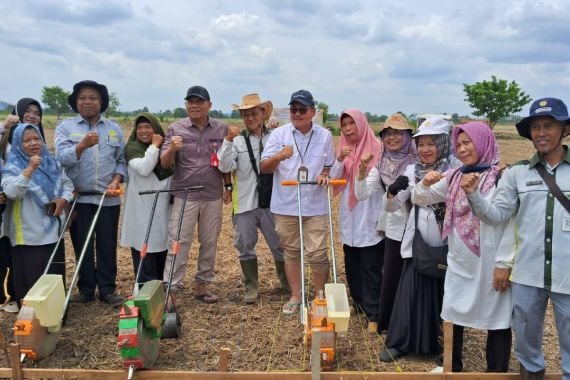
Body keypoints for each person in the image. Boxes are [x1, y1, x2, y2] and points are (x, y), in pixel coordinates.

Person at [466, 98, 570, 380]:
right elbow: (497, 216)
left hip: (567, 275)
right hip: (526, 275)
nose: (541, 132)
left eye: (549, 125)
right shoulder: (517, 174)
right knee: (526, 341)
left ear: (566, 129)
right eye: (535, 127)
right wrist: (474, 196)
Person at [413, 121, 513, 372]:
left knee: (498, 317)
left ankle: (496, 372)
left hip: (491, 259)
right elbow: (419, 198)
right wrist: (425, 183)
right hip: (460, 258)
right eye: (458, 144)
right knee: (453, 311)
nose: (463, 149)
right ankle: (452, 366)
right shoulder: (455, 176)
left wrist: (505, 262)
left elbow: (511, 223)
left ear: (483, 142)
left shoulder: (503, 177)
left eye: (468, 142)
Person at [379, 117, 457, 361]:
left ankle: (443, 347)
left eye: (431, 143)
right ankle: (400, 342)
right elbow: (392, 207)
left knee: (444, 296)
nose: (424, 149)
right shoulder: (412, 170)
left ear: (443, 144)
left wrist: (420, 188)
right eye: (420, 144)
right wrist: (392, 192)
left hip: (447, 244)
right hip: (418, 243)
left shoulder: (454, 170)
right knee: (409, 293)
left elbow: (427, 197)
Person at [260, 89, 335, 315]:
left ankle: (320, 296)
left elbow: (329, 165)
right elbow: (264, 168)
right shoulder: (278, 135)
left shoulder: (325, 135)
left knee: (318, 252)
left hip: (315, 204)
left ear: (313, 111)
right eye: (294, 109)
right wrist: (279, 156)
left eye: (303, 109)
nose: (298, 113)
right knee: (291, 251)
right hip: (285, 204)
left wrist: (325, 173)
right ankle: (296, 295)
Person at [55, 80, 126, 307]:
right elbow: (61, 159)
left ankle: (107, 289)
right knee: (81, 243)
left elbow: (121, 161)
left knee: (107, 244)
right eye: (82, 98)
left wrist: (116, 180)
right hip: (79, 198)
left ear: (101, 102)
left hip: (108, 198)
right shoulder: (65, 127)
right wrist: (82, 145)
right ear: (76, 102)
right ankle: (86, 289)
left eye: (93, 98)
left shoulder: (114, 128)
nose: (87, 101)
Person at [160, 85, 229, 304]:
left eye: (199, 102)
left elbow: (226, 161)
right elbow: (164, 163)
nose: (194, 106)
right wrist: (172, 149)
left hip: (212, 195)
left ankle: (202, 284)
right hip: (184, 195)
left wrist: (228, 187)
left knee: (209, 242)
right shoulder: (175, 129)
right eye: (190, 102)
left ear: (209, 105)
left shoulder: (221, 129)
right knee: (178, 241)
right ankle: (171, 287)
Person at [217, 93, 288, 304]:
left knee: (280, 244)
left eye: (254, 113)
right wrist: (227, 141)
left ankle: (287, 285)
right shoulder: (236, 141)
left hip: (273, 202)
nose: (250, 118)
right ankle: (251, 287)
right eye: (245, 114)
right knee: (245, 244)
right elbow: (225, 166)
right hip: (245, 202)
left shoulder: (276, 137)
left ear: (263, 114)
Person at [355, 113, 417, 332]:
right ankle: (392, 324)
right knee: (393, 276)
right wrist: (361, 172)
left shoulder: (419, 162)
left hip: (421, 229)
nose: (392, 138)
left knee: (416, 278)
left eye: (398, 133)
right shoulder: (380, 163)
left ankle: (414, 324)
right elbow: (361, 194)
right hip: (395, 227)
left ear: (408, 136)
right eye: (388, 133)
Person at [1, 124, 73, 305]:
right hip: (28, 234)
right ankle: (33, 321)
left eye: (36, 139)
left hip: (53, 230)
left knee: (53, 276)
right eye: (27, 140)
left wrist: (62, 200)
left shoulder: (52, 162)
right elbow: (12, 192)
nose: (33, 143)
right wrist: (29, 170)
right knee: (33, 280)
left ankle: (55, 315)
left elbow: (68, 185)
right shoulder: (13, 166)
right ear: (18, 143)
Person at [329, 109, 383, 332]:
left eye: (352, 123)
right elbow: (334, 178)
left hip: (369, 208)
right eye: (344, 125)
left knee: (370, 265)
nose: (348, 129)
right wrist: (340, 159)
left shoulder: (377, 149)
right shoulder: (345, 150)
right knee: (351, 262)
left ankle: (375, 312)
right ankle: (359, 303)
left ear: (362, 124)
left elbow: (374, 183)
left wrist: (361, 171)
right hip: (350, 212)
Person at [0, 98, 46, 313]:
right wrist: (4, 127)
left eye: (36, 112)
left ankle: (22, 295)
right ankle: (12, 296)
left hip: (30, 205)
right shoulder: (7, 141)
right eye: (27, 111)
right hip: (9, 200)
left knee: (21, 249)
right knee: (10, 249)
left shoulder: (39, 142)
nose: (32, 115)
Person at [120, 112, 172, 286]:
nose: (143, 131)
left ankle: (160, 287)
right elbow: (144, 168)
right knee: (144, 248)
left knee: (162, 247)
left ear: (156, 128)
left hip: (162, 207)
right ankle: (144, 289)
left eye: (148, 127)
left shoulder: (167, 149)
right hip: (141, 208)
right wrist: (155, 146)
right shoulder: (132, 148)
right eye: (140, 127)